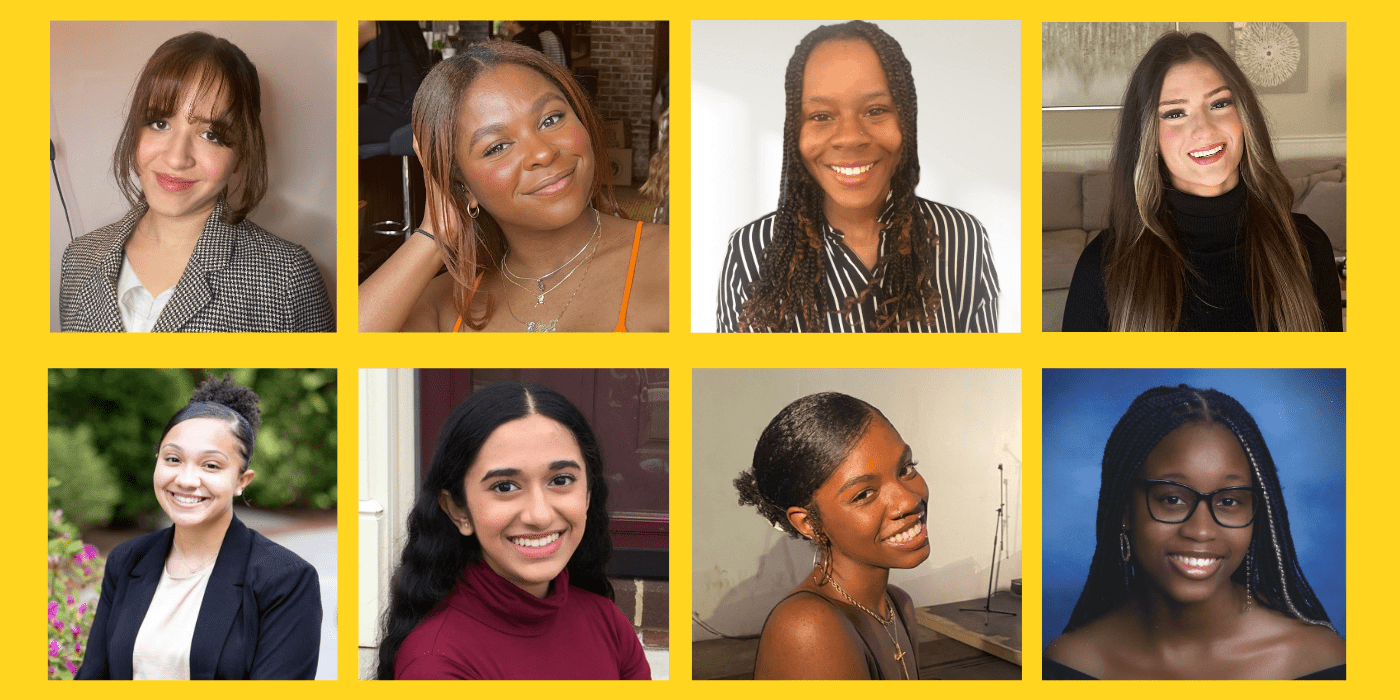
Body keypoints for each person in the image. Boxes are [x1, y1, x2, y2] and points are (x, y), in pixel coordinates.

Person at [358, 41, 667, 332]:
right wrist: (435, 233)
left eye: (551, 119)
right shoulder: (442, 306)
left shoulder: (679, 258)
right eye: (497, 147)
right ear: (463, 186)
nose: (543, 153)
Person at [1043, 384, 1345, 679]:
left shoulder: (1320, 661)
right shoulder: (1070, 664)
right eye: (1172, 499)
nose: (1201, 531)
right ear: (1124, 510)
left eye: (1229, 501)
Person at [716, 20, 998, 333]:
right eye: (821, 116)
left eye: (876, 110)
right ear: (795, 131)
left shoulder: (962, 237)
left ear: (906, 120)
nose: (850, 138)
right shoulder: (751, 251)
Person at [1062, 32, 1342, 332]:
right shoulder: (1103, 268)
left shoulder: (1308, 246)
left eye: (1220, 104)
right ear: (1149, 137)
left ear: (1244, 116)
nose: (1204, 130)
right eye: (1175, 113)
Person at [59, 32, 334, 333]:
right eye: (159, 123)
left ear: (242, 154)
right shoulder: (78, 259)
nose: (177, 158)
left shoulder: (287, 278)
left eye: (211, 135)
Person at [376, 381, 650, 679]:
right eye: (505, 486)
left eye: (560, 481)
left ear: (588, 495)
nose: (540, 515)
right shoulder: (435, 666)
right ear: (458, 510)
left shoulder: (609, 623)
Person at [77, 375, 322, 679]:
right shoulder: (127, 560)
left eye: (211, 465)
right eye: (173, 459)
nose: (186, 480)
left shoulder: (286, 580)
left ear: (241, 482)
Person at [734, 392, 927, 679]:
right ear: (808, 523)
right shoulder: (808, 628)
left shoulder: (898, 606)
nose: (908, 500)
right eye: (864, 494)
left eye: (905, 469)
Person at [359, 21, 433, 144]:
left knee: (330, 129)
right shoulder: (407, 25)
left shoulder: (367, 23)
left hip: (389, 112)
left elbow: (330, 55)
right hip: (417, 115)